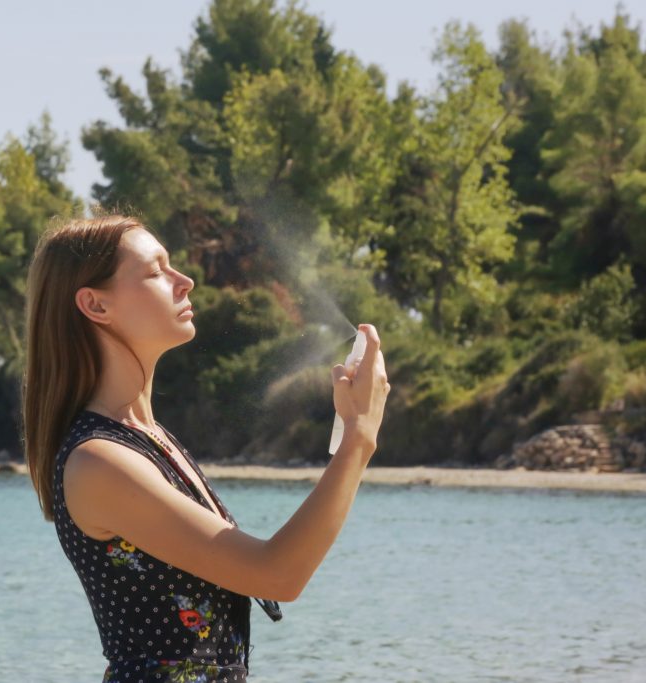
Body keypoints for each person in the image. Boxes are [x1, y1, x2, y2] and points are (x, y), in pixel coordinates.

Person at [22, 214, 390, 681]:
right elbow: (277, 574)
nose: (185, 280)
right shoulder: (99, 461)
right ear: (95, 305)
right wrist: (358, 438)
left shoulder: (150, 440)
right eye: (156, 271)